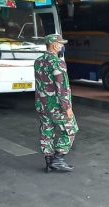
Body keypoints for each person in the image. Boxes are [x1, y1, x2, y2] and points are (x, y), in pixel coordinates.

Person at [34, 34, 79, 172]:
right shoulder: (57, 62)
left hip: (42, 104)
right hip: (56, 106)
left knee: (47, 130)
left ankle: (48, 162)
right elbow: (62, 87)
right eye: (60, 44)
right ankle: (58, 159)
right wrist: (67, 107)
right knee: (71, 129)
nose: (62, 46)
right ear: (53, 45)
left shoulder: (38, 61)